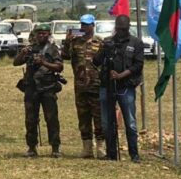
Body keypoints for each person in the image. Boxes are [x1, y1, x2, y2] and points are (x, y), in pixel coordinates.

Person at [92, 15, 144, 163]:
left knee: (130, 122)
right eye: (119, 29)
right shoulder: (108, 41)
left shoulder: (136, 43)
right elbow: (95, 62)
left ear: (128, 28)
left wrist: (121, 75)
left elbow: (138, 65)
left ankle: (134, 154)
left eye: (124, 29)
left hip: (126, 87)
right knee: (107, 122)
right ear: (115, 28)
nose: (121, 32)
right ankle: (111, 154)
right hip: (107, 86)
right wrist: (103, 50)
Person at [13, 23, 64, 157]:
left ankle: (55, 147)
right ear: (35, 35)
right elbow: (16, 62)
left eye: (44, 33)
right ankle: (31, 147)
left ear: (48, 35)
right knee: (31, 119)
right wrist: (22, 54)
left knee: (51, 119)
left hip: (48, 88)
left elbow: (59, 67)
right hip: (31, 88)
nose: (41, 35)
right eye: (39, 33)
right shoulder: (30, 48)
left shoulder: (53, 49)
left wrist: (43, 63)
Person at [61, 14, 105, 158]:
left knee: (99, 117)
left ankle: (100, 147)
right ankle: (87, 148)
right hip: (80, 86)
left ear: (93, 25)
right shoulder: (75, 42)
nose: (84, 27)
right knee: (83, 117)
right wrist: (67, 42)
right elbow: (65, 56)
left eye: (87, 25)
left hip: (96, 85)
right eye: (82, 25)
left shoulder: (100, 42)